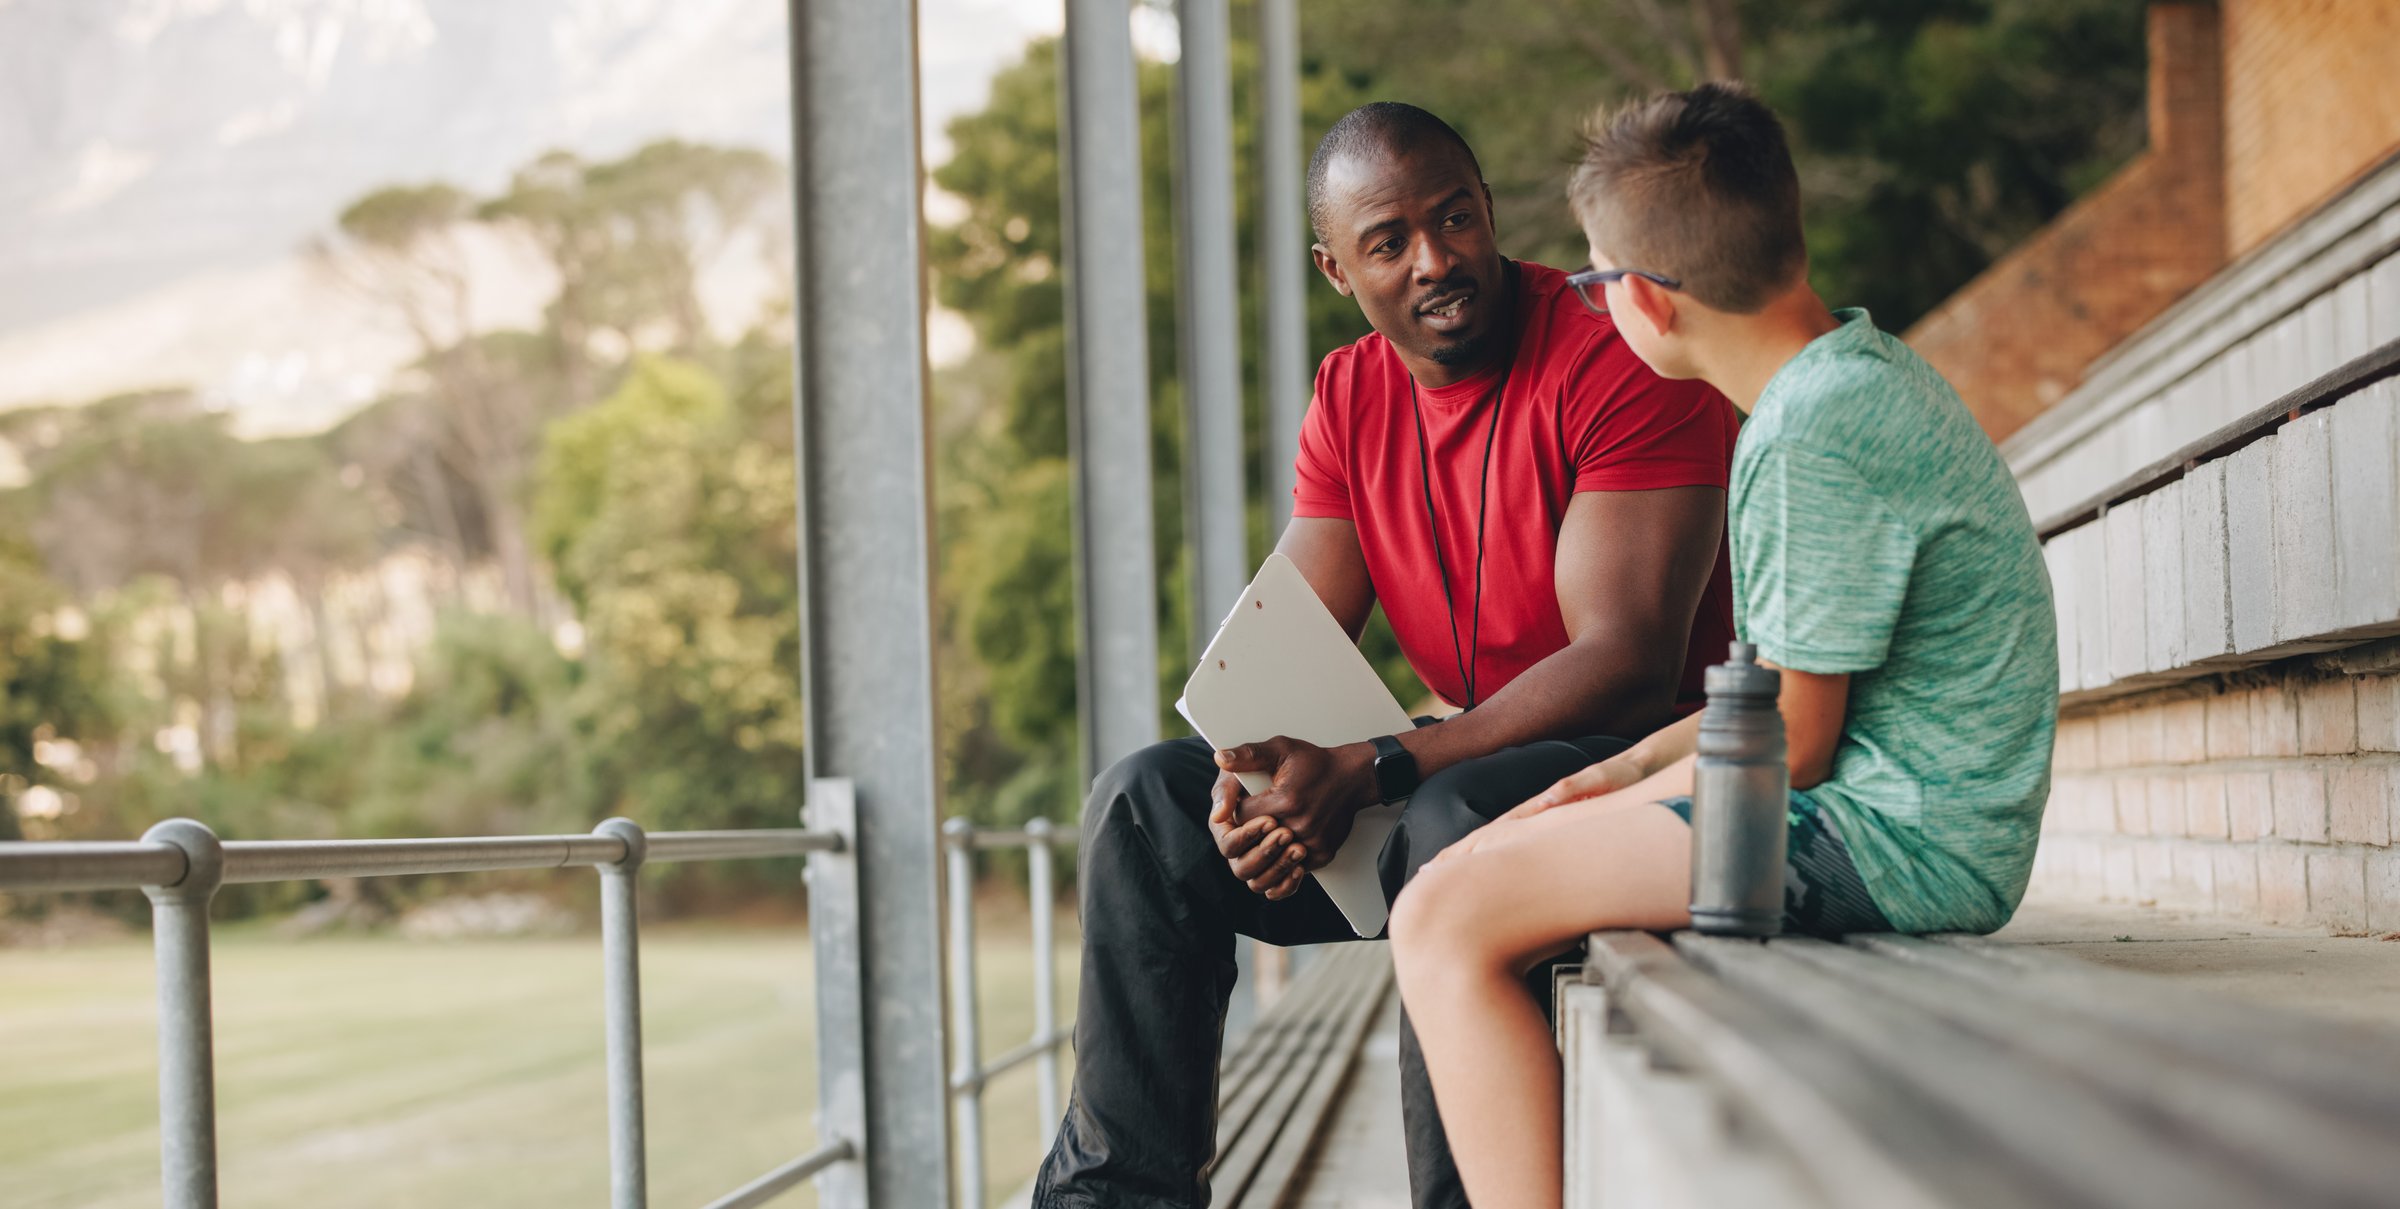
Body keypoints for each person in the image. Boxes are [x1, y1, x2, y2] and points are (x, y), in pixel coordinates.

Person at [1032, 102, 1742, 1209]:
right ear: (1336, 268)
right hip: (1455, 771)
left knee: (1451, 827)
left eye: (1455, 218)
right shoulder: (1350, 395)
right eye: (1389, 241)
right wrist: (1247, 786)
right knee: (1143, 809)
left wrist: (1377, 763)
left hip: (1650, 777)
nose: (1436, 259)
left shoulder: (1615, 350)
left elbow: (1629, 663)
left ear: (1489, 210)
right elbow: (1282, 660)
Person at [1388, 81, 2060, 1208]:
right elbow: (1772, 703)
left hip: (1900, 842)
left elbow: (1791, 747)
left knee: (1442, 916)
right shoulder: (1843, 375)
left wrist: (1556, 825)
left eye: (1598, 284)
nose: (1596, 307)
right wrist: (1600, 781)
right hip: (1892, 815)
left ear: (1646, 301)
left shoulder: (1812, 435)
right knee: (1472, 869)